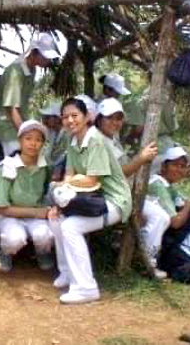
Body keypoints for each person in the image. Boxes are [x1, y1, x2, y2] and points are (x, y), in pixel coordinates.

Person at [49, 97, 132, 304]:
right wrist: (60, 198)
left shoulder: (95, 140)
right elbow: (69, 175)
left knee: (70, 227)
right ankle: (68, 272)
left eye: (74, 115)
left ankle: (86, 288)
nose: (69, 120)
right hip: (93, 197)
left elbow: (92, 179)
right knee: (55, 217)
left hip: (114, 201)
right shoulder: (73, 140)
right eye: (65, 117)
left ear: (87, 117)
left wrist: (66, 187)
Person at [95, 97, 168, 278]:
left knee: (159, 215)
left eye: (118, 118)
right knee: (160, 217)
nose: (115, 122)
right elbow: (117, 173)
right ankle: (147, 263)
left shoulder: (112, 138)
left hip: (125, 192)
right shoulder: (99, 141)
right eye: (109, 117)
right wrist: (141, 158)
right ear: (99, 119)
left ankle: (140, 256)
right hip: (113, 195)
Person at [0, 120, 54, 273]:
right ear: (20, 140)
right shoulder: (8, 165)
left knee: (44, 235)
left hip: (36, 216)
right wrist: (36, 212)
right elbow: (0, 208)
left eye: (38, 139)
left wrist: (44, 210)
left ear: (43, 144)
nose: (33, 143)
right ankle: (5, 253)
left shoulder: (45, 166)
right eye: (28, 138)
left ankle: (42, 252)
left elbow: (46, 190)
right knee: (14, 239)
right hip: (10, 216)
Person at [0, 33, 60, 156]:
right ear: (34, 52)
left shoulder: (32, 70)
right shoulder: (15, 71)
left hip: (20, 123)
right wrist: (25, 134)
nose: (48, 60)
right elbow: (11, 108)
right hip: (7, 126)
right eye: (45, 56)